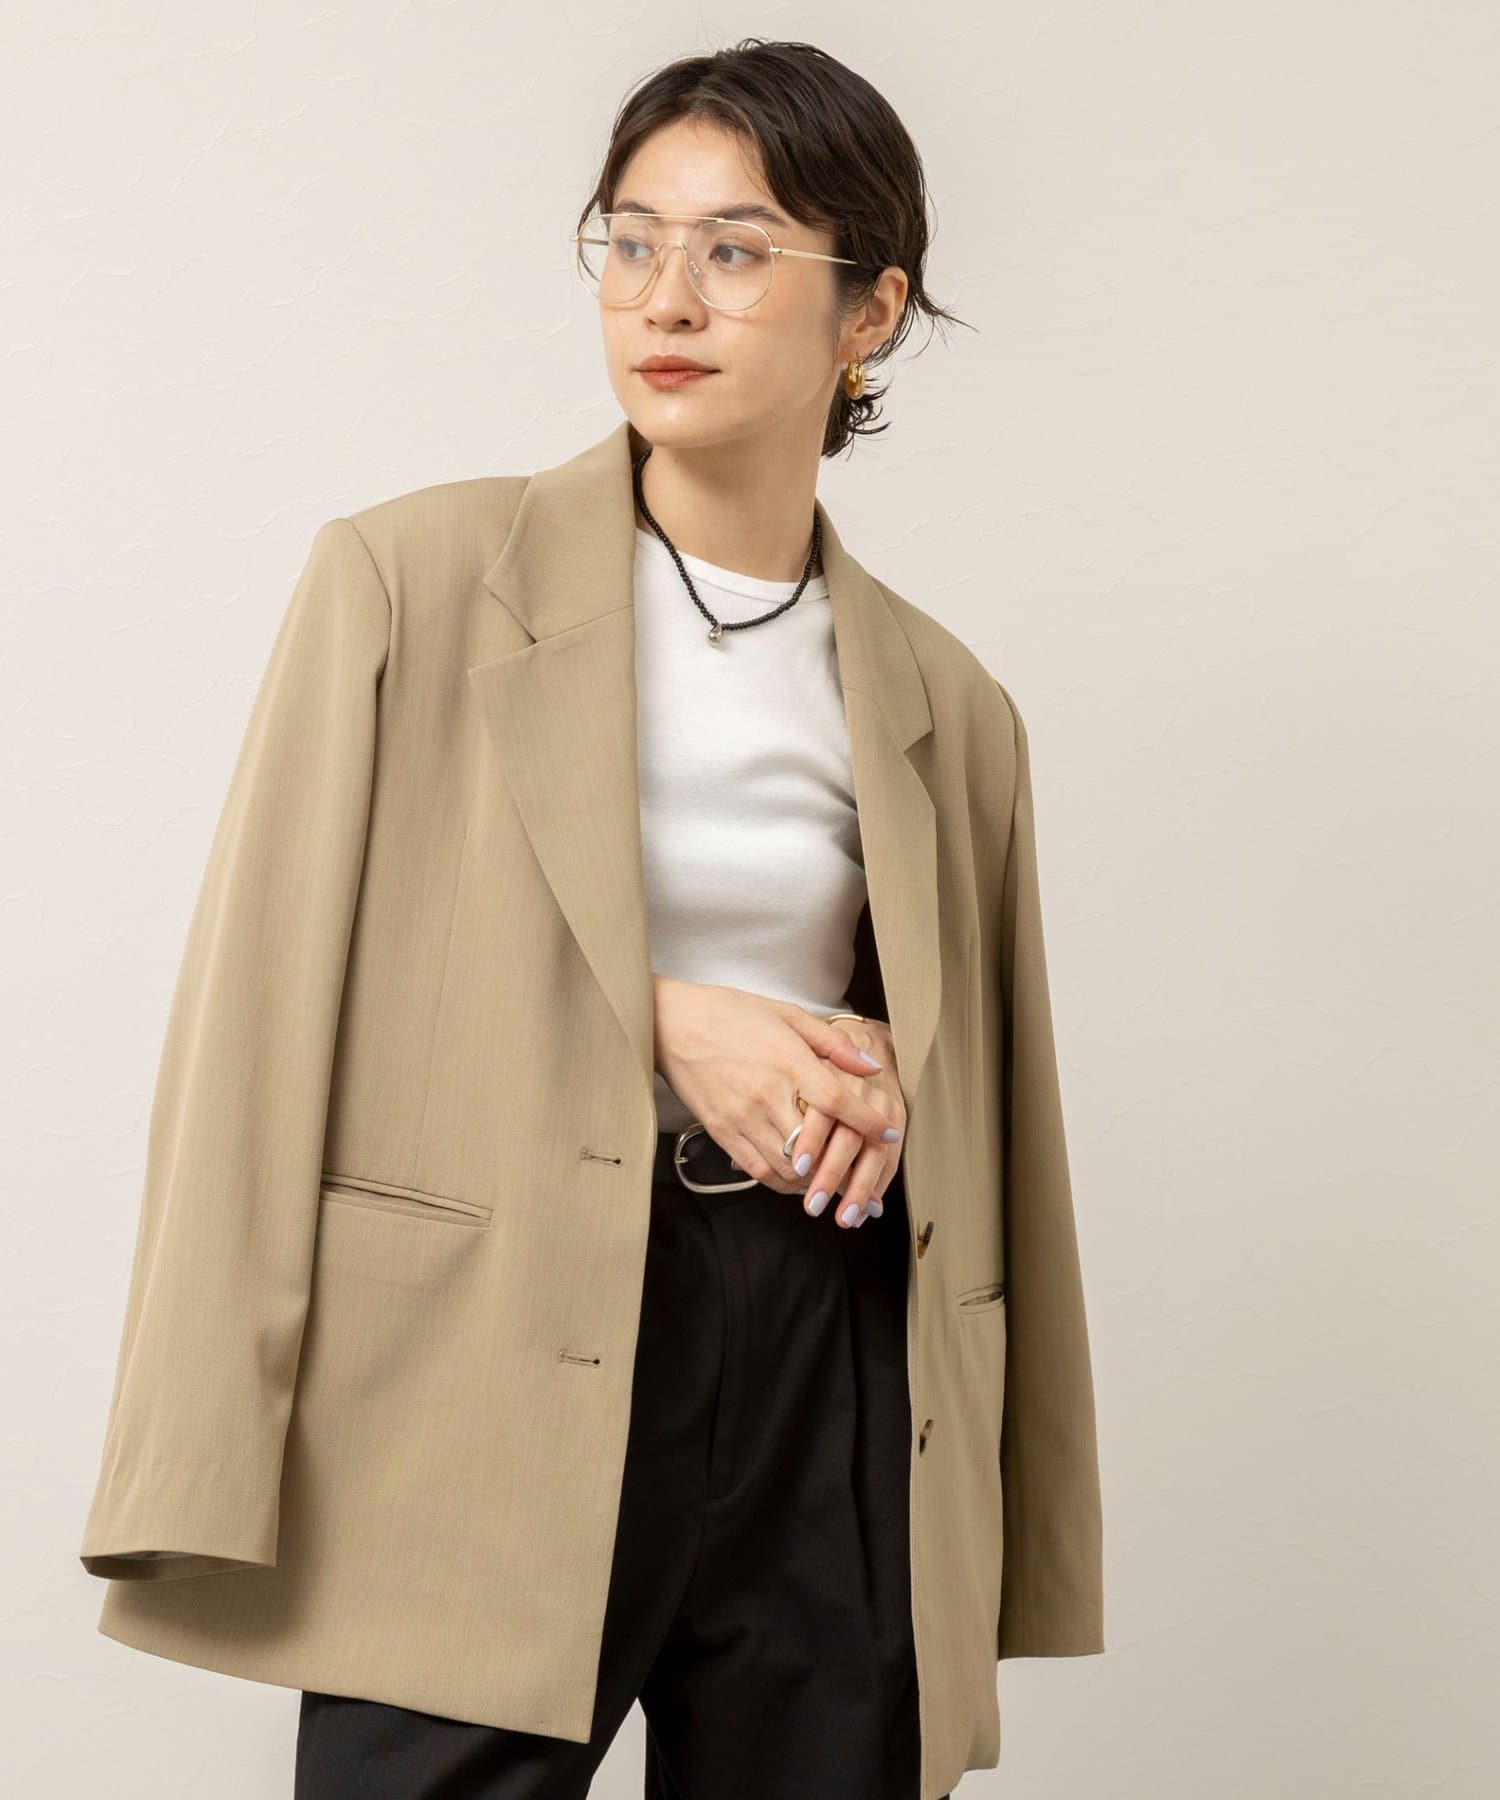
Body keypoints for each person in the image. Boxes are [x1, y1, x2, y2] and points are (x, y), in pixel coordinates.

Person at [79, 39, 1104, 1800]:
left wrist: (880, 1086)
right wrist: (662, 1019)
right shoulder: (409, 582)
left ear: (868, 312)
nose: (664, 298)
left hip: (827, 1340)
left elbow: (994, 1121)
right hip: (488, 1338)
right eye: (630, 241)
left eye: (736, 250)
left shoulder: (951, 703)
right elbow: (260, 1023)